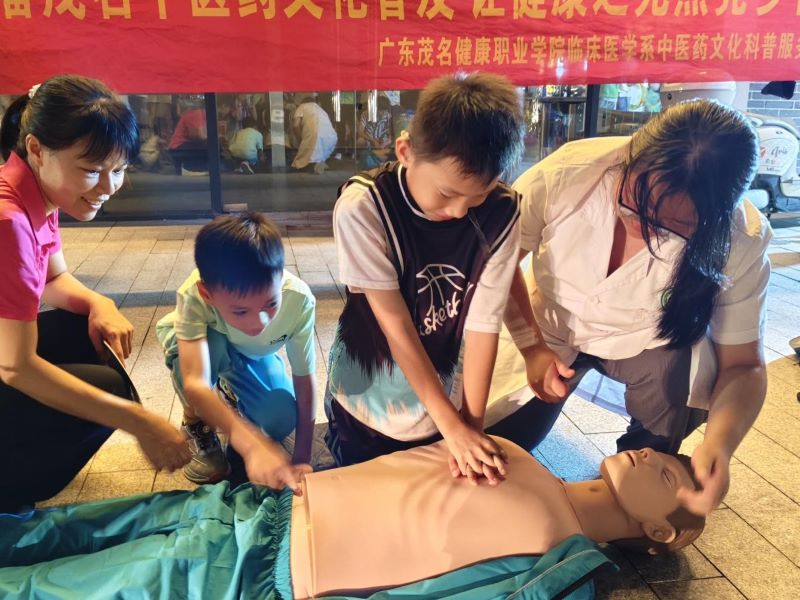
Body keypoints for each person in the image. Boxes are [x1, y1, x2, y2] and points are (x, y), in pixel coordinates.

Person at [0, 437, 703, 599]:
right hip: (263, 509)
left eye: (667, 474)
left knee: (52, 588)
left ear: (662, 532)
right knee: (53, 530)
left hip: (262, 574)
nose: (650, 454)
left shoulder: (560, 569)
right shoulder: (511, 450)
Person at [504, 99, 771, 515]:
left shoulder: (741, 237)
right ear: (628, 156)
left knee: (654, 457)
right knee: (509, 441)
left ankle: (632, 499)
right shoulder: (567, 174)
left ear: (714, 221)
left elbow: (744, 365)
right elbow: (497, 269)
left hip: (650, 343)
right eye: (632, 203)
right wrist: (531, 346)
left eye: (670, 228)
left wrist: (720, 443)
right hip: (549, 324)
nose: (640, 229)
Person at [0, 75, 190, 513]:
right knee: (111, 392)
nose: (107, 187)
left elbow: (53, 279)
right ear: (36, 149)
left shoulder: (36, 191)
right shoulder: (9, 221)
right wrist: (138, 421)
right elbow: (15, 367)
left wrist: (99, 303)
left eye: (118, 170)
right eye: (91, 170)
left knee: (81, 330)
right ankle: (10, 496)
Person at [325, 72, 527, 484]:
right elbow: (395, 325)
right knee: (362, 494)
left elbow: (484, 325)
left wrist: (470, 426)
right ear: (406, 151)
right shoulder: (364, 206)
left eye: (478, 195)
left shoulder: (502, 213)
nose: (459, 211)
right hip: (365, 396)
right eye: (447, 193)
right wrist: (454, 427)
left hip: (439, 402)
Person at [155, 212, 316, 490]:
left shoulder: (300, 300)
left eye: (271, 304)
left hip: (250, 354)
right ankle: (196, 423)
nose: (259, 322)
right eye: (241, 311)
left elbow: (305, 378)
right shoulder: (192, 294)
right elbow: (195, 382)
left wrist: (302, 457)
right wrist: (251, 445)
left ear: (281, 277)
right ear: (207, 294)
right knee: (196, 373)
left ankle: (229, 393)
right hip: (205, 348)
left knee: (280, 419)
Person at [290, 96, 338, 173]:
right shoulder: (321, 109)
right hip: (332, 137)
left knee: (302, 160)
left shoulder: (302, 107)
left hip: (316, 135)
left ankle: (315, 167)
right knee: (318, 155)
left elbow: (295, 125)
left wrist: (299, 139)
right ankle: (320, 163)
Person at [167, 101, 207, 175]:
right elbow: (198, 135)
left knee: (211, 144)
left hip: (179, 147)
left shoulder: (202, 115)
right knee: (210, 145)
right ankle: (192, 169)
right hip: (178, 147)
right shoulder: (197, 113)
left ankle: (195, 168)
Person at [356, 94, 394, 170]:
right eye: (380, 110)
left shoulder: (389, 117)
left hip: (383, 142)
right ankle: (363, 159)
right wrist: (372, 140)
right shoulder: (365, 114)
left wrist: (385, 143)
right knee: (360, 141)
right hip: (369, 140)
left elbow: (392, 136)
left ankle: (378, 163)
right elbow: (360, 132)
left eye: (384, 110)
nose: (382, 113)